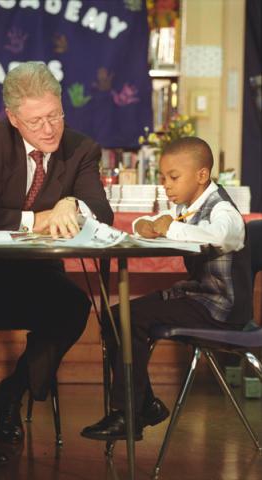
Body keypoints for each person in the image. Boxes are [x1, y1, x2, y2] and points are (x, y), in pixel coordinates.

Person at [0, 61, 113, 467]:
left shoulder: (82, 149)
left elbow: (103, 216)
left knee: (73, 307)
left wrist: (73, 203)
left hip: (36, 276)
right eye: (36, 121)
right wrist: (31, 220)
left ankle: (13, 393)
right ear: (14, 119)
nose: (49, 129)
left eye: (55, 115)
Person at [81, 136, 252, 441]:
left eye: (174, 177)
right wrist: (145, 225)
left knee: (129, 319)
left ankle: (127, 414)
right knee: (114, 315)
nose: (166, 186)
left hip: (221, 308)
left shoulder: (223, 211)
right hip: (199, 296)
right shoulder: (187, 206)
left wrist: (168, 227)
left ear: (201, 175)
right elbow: (156, 221)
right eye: (162, 178)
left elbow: (219, 236)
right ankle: (145, 406)